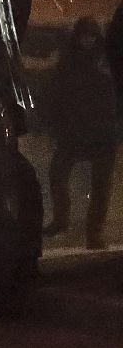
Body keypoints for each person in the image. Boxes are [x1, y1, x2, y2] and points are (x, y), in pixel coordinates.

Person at [43, 17, 119, 251]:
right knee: (59, 174)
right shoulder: (70, 61)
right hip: (77, 131)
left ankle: (93, 233)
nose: (88, 40)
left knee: (100, 186)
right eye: (84, 35)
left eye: (92, 36)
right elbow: (57, 95)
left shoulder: (107, 63)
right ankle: (62, 220)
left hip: (102, 132)